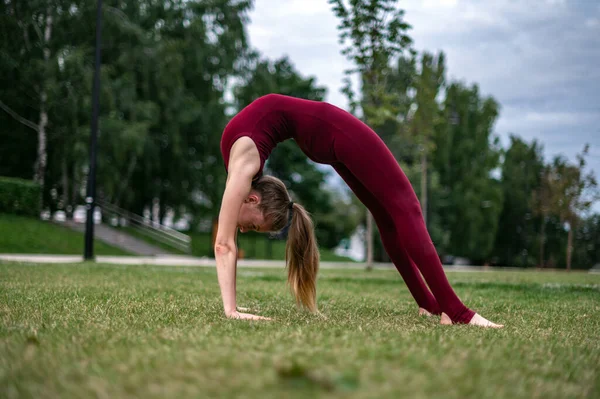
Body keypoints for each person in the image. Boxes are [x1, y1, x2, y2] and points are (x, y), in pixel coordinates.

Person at [215, 93, 503, 328]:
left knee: (402, 210)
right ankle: (442, 308)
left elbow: (224, 245)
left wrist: (231, 310)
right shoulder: (243, 172)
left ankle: (448, 309)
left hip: (329, 130)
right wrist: (232, 309)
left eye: (252, 227)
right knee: (394, 212)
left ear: (253, 199)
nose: (242, 230)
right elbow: (227, 242)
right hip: (323, 135)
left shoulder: (243, 169)